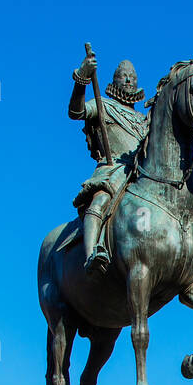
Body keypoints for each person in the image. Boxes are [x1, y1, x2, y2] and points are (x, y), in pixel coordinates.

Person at [57, 46, 150, 276]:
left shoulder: (144, 119)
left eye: (133, 77)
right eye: (123, 76)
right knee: (99, 201)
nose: (128, 80)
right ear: (114, 80)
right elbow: (75, 111)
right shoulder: (103, 105)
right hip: (113, 169)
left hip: (140, 174)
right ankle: (91, 254)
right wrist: (82, 78)